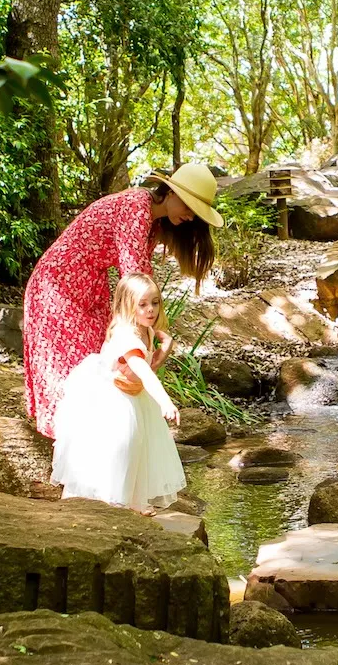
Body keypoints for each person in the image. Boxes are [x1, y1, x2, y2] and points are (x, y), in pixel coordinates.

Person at [22, 161, 221, 440]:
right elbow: (134, 280)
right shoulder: (136, 207)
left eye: (195, 214)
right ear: (171, 192)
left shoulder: (153, 223)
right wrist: (155, 333)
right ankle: (69, 448)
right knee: (72, 371)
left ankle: (92, 445)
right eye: (188, 207)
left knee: (99, 367)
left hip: (91, 288)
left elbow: (142, 282)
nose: (189, 217)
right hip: (58, 285)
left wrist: (154, 334)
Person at [49, 273, 187, 512]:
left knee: (140, 446)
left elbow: (148, 366)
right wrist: (165, 401)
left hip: (135, 395)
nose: (150, 310)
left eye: (155, 303)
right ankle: (110, 500)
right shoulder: (125, 335)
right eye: (142, 304)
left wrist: (164, 348)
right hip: (114, 399)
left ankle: (133, 500)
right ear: (127, 305)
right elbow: (143, 371)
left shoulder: (146, 330)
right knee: (120, 446)